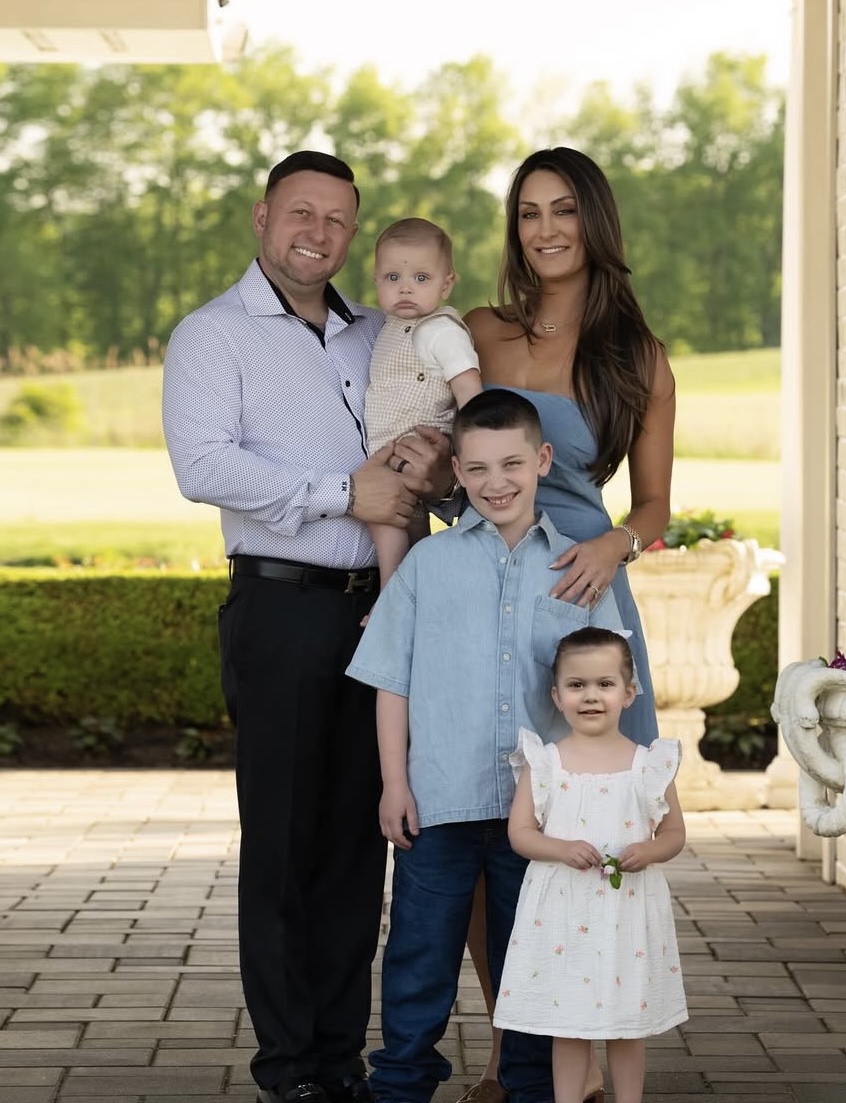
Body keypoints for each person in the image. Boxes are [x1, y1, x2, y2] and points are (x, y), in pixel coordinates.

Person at [161, 150, 456, 1103]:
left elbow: (427, 432)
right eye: (300, 212)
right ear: (263, 217)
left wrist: (437, 465)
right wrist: (341, 492)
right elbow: (203, 464)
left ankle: (338, 1059)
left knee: (355, 849)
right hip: (281, 610)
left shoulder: (381, 331)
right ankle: (290, 1070)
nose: (316, 232)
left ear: (352, 233)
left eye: (335, 219)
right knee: (285, 848)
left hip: (379, 610)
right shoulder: (212, 335)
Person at [462, 146, 677, 1101]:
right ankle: (510, 1050)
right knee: (486, 816)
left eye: (562, 210)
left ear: (594, 220)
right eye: (527, 212)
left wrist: (614, 546)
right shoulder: (479, 332)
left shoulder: (638, 356)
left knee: (592, 813)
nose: (544, 229)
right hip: (483, 582)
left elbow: (655, 505)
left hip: (580, 594)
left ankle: (591, 1049)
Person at [345, 388, 627, 1103]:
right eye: (476, 468)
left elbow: (603, 695)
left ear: (542, 460)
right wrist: (394, 784)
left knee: (528, 960)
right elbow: (391, 681)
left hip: (539, 815)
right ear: (457, 474)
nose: (495, 482)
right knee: (418, 956)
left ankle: (530, 1086)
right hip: (438, 801)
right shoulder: (427, 565)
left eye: (511, 464)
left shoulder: (578, 570)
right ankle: (401, 1085)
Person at [495, 627, 688, 1103]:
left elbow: (674, 834)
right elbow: (520, 833)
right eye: (577, 685)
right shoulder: (546, 763)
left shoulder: (649, 765)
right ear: (556, 696)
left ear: (629, 692)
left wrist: (648, 851)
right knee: (569, 1020)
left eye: (605, 684)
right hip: (564, 913)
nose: (591, 696)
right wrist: (560, 849)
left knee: (627, 1022)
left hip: (626, 914)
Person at [365, 216, 482, 589]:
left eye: (421, 278)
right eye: (393, 277)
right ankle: (414, 595)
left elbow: (470, 393)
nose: (405, 288)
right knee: (408, 526)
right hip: (392, 449)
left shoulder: (441, 331)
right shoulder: (387, 327)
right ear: (376, 280)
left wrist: (472, 452)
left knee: (387, 521)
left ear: (446, 284)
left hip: (415, 446)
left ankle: (391, 596)